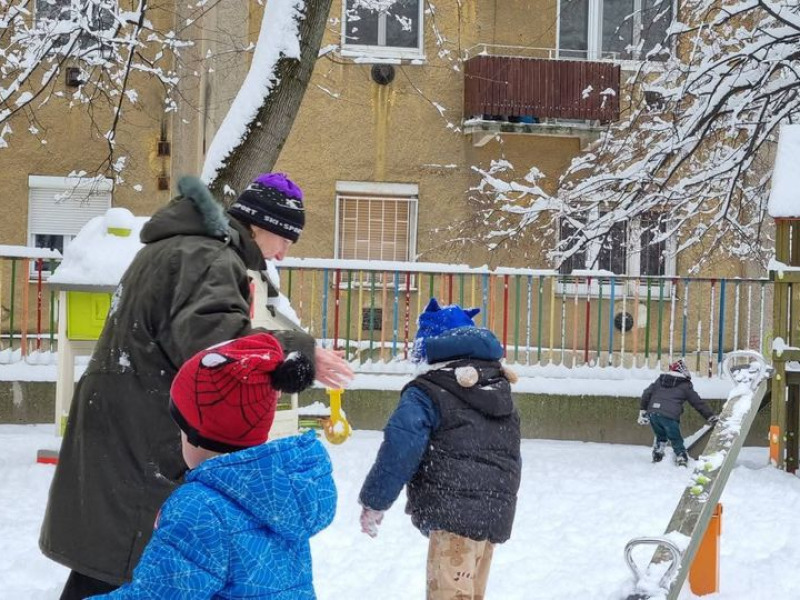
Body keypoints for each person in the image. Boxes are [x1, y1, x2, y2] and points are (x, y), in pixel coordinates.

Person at [40, 173, 353, 599]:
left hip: (126, 416)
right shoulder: (207, 257)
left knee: (115, 561)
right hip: (149, 427)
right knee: (133, 557)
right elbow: (216, 352)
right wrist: (295, 351)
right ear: (259, 226)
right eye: (285, 239)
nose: (283, 252)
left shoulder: (182, 248)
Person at [89, 332, 335, 599]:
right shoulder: (281, 494)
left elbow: (157, 595)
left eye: (181, 428)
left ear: (194, 435)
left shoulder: (199, 508)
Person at [358, 298, 522, 600]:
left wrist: (375, 500)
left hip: (454, 515)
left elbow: (401, 445)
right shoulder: (497, 385)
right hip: (494, 513)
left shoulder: (428, 391)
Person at [637, 358, 719, 466]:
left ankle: (658, 454)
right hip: (669, 417)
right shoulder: (685, 385)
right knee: (675, 438)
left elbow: (646, 393)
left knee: (660, 435)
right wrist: (710, 416)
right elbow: (697, 402)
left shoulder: (660, 380)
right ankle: (681, 456)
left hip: (653, 413)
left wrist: (643, 410)